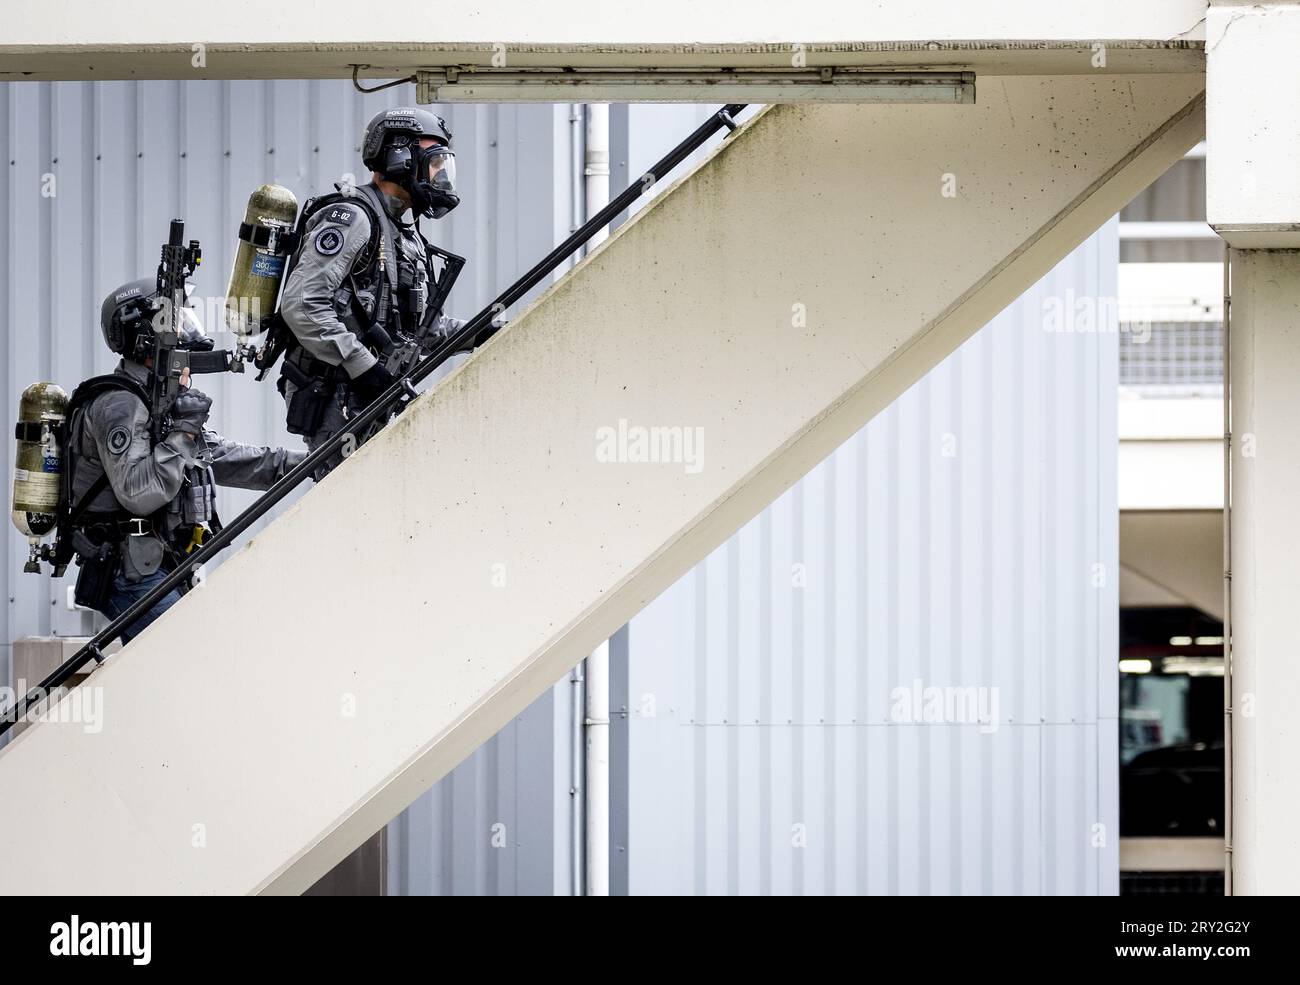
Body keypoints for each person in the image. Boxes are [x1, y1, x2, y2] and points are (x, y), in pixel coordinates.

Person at [65, 278, 305, 641]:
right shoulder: (120, 404)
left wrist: (305, 463)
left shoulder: (154, 399)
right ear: (144, 334)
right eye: (175, 321)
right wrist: (184, 431)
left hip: (158, 564)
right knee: (188, 664)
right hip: (130, 575)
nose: (185, 329)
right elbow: (139, 491)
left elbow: (220, 457)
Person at [277, 106, 496, 479]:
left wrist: (486, 331)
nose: (440, 173)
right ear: (400, 157)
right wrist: (363, 367)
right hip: (340, 398)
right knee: (351, 504)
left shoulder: (401, 233)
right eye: (434, 161)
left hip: (375, 395)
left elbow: (421, 330)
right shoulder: (352, 218)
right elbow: (302, 304)